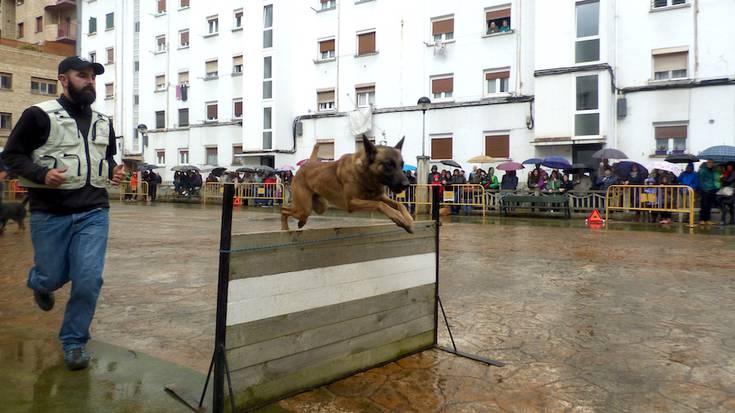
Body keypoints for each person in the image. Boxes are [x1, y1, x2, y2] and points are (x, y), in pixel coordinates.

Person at [0, 56, 124, 370]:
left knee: (88, 280)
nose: (89, 81)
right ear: (63, 80)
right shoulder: (39, 116)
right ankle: (40, 282)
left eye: (92, 77)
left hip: (94, 211)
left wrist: (113, 171)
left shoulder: (103, 121)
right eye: (82, 75)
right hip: (49, 212)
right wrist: (41, 174)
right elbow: (12, 156)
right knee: (53, 274)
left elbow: (105, 158)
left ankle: (74, 342)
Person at [698, 160, 718, 225]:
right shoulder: (703, 170)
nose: (710, 164)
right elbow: (700, 181)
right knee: (704, 205)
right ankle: (701, 219)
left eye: (712, 163)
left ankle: (707, 219)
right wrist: (704, 189)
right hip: (705, 191)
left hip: (712, 190)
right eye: (709, 162)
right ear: (707, 163)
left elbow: (713, 180)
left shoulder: (712, 171)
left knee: (709, 206)